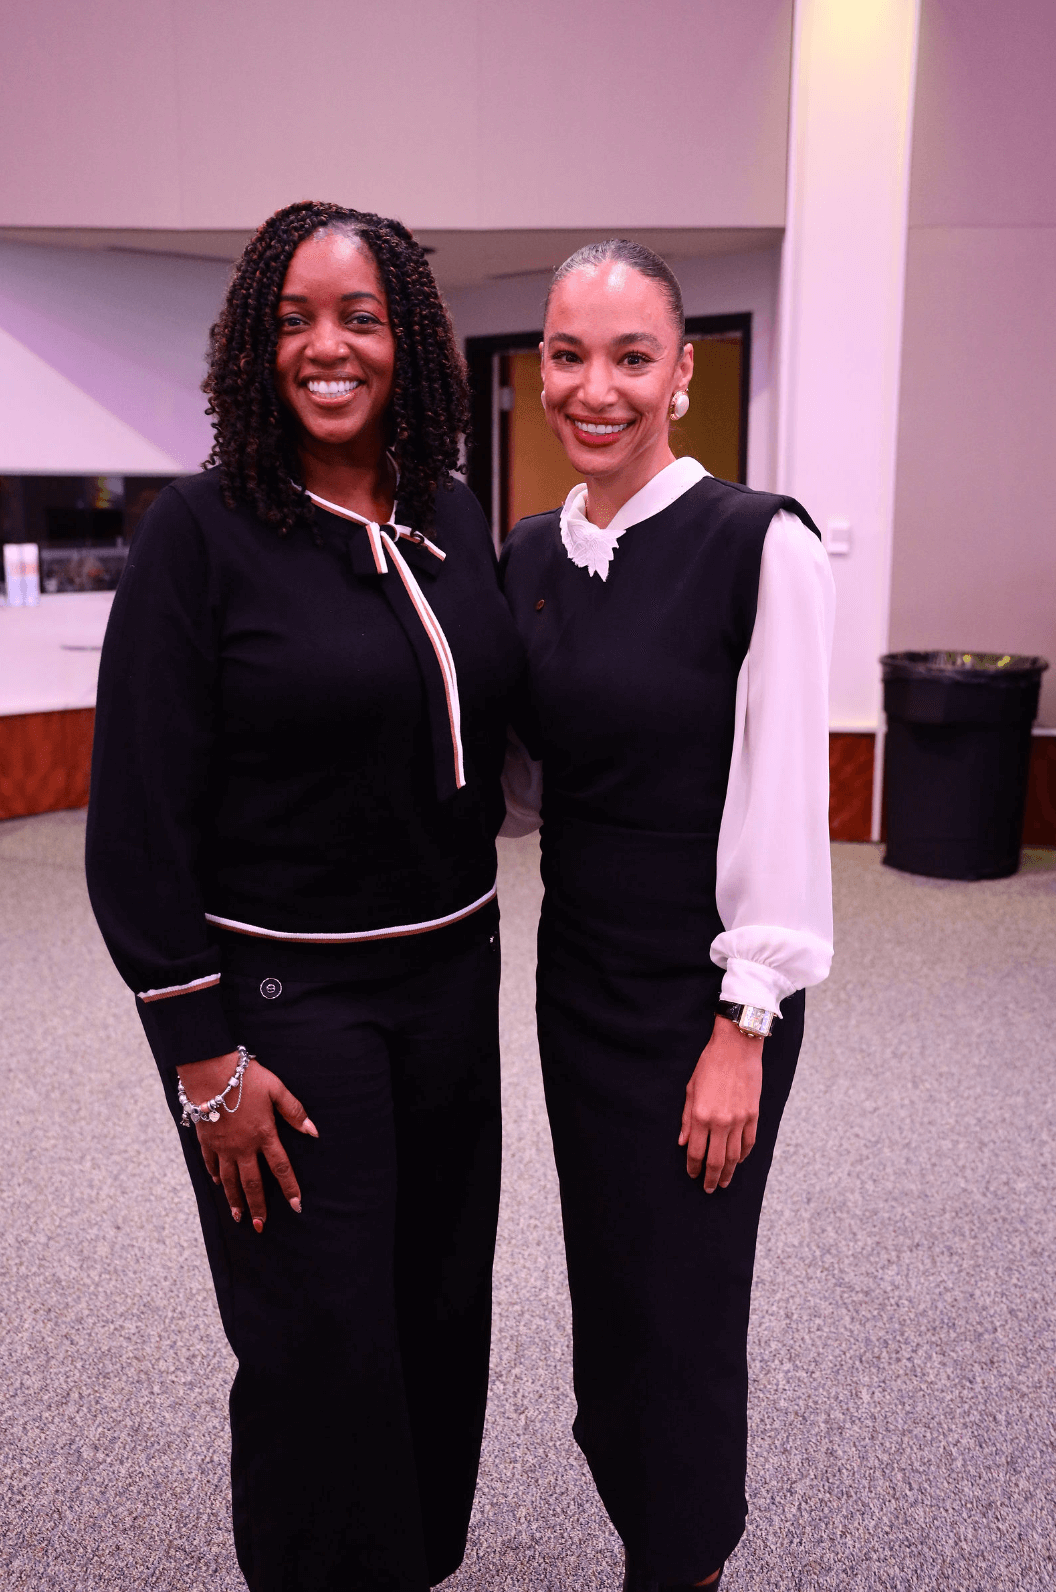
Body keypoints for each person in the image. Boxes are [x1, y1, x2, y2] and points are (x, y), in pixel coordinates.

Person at [86, 200, 524, 1592]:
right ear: (249, 347)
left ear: (409, 339)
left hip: (454, 979)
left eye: (359, 317)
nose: (325, 346)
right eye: (292, 319)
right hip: (287, 1003)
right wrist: (205, 1065)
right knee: (318, 1343)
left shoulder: (452, 511)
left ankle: (412, 1564)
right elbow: (135, 832)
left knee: (437, 1310)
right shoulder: (198, 536)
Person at [499, 240, 835, 1591]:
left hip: (707, 1000)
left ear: (683, 375)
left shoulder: (761, 543)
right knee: (614, 1302)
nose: (597, 386)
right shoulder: (530, 552)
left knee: (686, 1311)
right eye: (569, 355)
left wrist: (742, 1025)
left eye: (631, 356)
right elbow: (518, 786)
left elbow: (782, 796)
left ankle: (682, 1563)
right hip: (575, 976)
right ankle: (652, 1528)